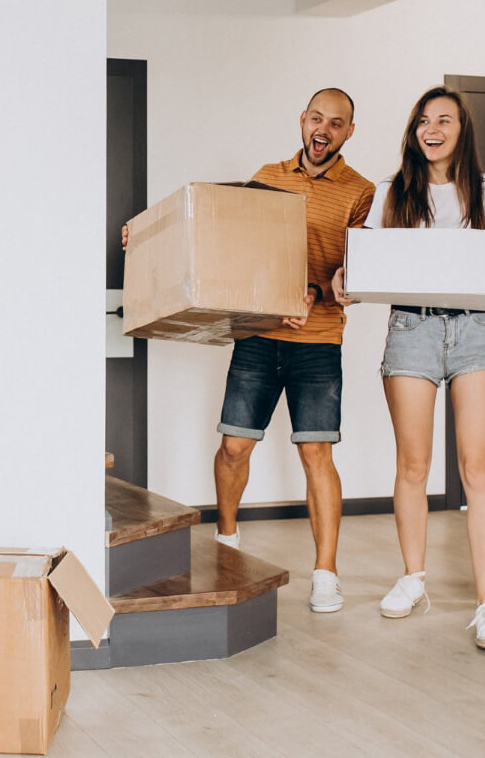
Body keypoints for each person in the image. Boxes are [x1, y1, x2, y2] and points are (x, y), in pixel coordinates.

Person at [132, 87, 374, 613]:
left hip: (318, 341)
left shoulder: (360, 190)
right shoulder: (268, 176)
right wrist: (145, 234)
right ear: (302, 121)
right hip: (259, 339)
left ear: (349, 132)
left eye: (336, 123)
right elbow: (226, 235)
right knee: (235, 447)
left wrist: (327, 288)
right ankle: (226, 542)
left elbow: (354, 265)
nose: (323, 130)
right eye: (316, 118)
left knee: (316, 454)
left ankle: (326, 575)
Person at [345, 85, 485, 650]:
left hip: (475, 330)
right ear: (413, 130)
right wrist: (344, 278)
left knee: (478, 469)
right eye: (424, 121)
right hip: (411, 329)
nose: (433, 129)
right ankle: (412, 579)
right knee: (413, 465)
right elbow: (363, 263)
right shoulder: (392, 192)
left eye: (445, 120)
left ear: (462, 130)